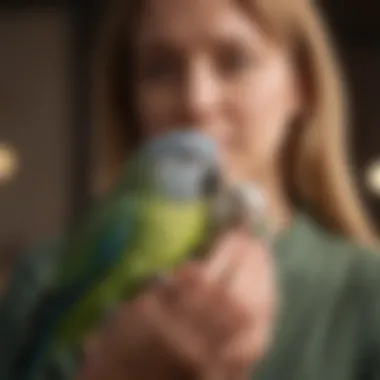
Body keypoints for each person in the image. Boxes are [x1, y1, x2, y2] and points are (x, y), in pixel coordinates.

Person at [1, 0, 379, 379]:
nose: (196, 101)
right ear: (130, 98)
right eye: (160, 69)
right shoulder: (42, 284)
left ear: (302, 85)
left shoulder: (367, 295)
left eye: (235, 62)